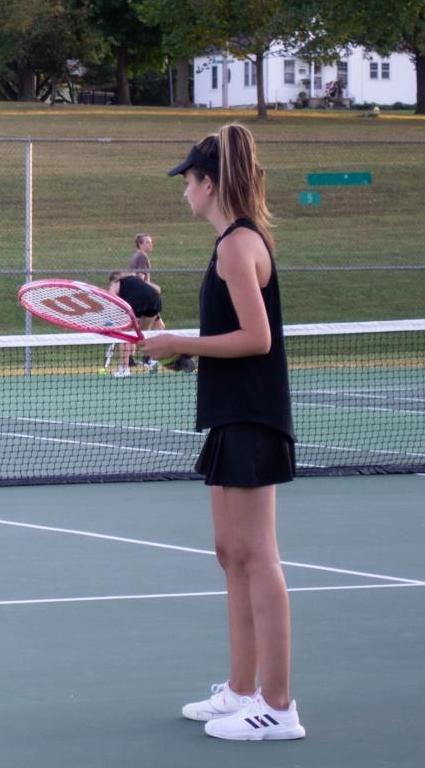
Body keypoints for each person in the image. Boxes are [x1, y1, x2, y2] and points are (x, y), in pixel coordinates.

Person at [141, 124, 305, 741]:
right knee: (229, 553)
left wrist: (180, 342)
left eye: (188, 179)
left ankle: (280, 705)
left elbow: (258, 340)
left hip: (253, 415)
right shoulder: (228, 246)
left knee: (258, 556)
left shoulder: (238, 247)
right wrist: (179, 347)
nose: (184, 190)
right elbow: (232, 339)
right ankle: (242, 691)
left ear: (208, 183)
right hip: (229, 413)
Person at [105, 271, 163, 378]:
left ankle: (124, 368)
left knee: (125, 335)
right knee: (143, 335)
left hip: (136, 300)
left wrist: (111, 318)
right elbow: (158, 289)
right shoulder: (137, 280)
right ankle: (151, 360)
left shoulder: (116, 281)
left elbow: (111, 297)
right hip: (154, 299)